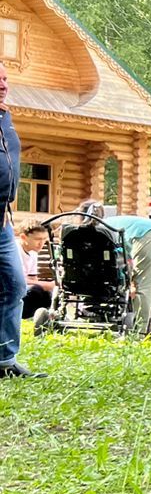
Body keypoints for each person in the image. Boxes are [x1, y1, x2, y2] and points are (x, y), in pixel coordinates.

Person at [0, 64, 45, 379]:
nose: (3, 84)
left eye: (5, 79)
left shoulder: (6, 119)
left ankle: (5, 360)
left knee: (15, 284)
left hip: (2, 220)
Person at [97, 205, 151, 335]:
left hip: (148, 237)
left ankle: (139, 332)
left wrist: (131, 282)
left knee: (142, 286)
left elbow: (123, 255)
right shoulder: (109, 223)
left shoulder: (101, 230)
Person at [14, 222, 52, 323]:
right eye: (38, 239)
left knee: (44, 294)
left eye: (44, 240)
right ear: (23, 237)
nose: (42, 244)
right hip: (10, 289)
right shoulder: (15, 250)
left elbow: (32, 279)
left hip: (23, 288)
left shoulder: (33, 252)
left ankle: (42, 318)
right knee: (36, 290)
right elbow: (17, 279)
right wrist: (46, 285)